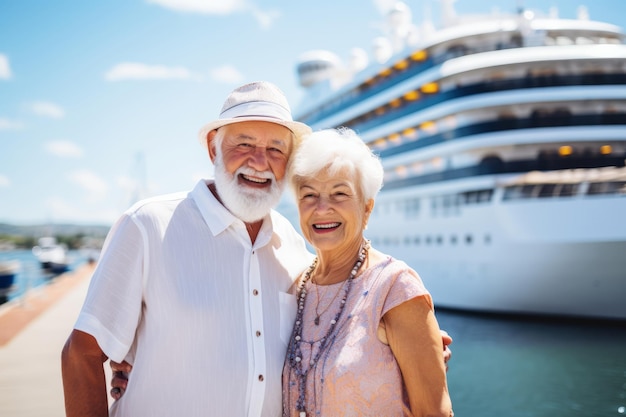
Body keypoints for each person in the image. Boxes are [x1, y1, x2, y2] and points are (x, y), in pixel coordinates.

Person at [62, 81, 452, 417]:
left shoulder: (293, 248)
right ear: (214, 147)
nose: (259, 161)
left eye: (276, 150)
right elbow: (82, 355)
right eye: (244, 143)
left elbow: (346, 322)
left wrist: (412, 344)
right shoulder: (148, 225)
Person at [281, 128, 453, 416]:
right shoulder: (297, 285)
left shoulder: (394, 287)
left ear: (367, 208)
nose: (322, 208)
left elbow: (434, 412)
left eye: (340, 193)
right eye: (309, 195)